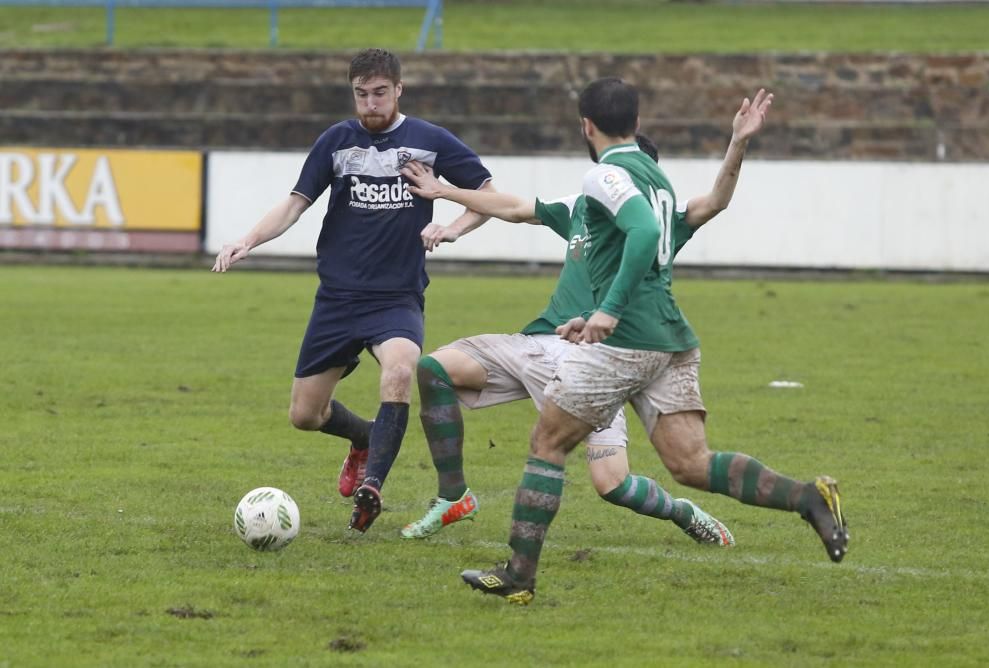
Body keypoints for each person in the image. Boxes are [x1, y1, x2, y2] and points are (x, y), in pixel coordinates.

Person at [458, 81, 848, 605]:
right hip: (669, 337)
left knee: (547, 445)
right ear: (637, 124)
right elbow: (704, 208)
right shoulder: (655, 176)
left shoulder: (604, 175)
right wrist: (738, 142)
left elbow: (641, 233)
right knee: (690, 463)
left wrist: (609, 311)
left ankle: (519, 576)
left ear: (586, 126)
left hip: (627, 341)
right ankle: (809, 499)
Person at [396, 135, 733, 548]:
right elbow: (515, 208)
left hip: (594, 363)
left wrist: (739, 141)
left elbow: (716, 201)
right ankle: (454, 497)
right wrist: (443, 192)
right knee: (435, 369)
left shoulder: (661, 223)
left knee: (614, 485)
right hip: (535, 343)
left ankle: (682, 512)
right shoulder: (582, 206)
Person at [212, 48, 494, 533]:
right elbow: (295, 204)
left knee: (402, 370)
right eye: (361, 94)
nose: (369, 103)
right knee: (305, 414)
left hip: (396, 298)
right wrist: (247, 240)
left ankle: (373, 487)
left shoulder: (429, 141)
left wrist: (451, 228)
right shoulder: (337, 142)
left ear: (399, 89)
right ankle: (364, 437)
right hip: (338, 299)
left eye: (379, 93)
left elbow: (488, 196)